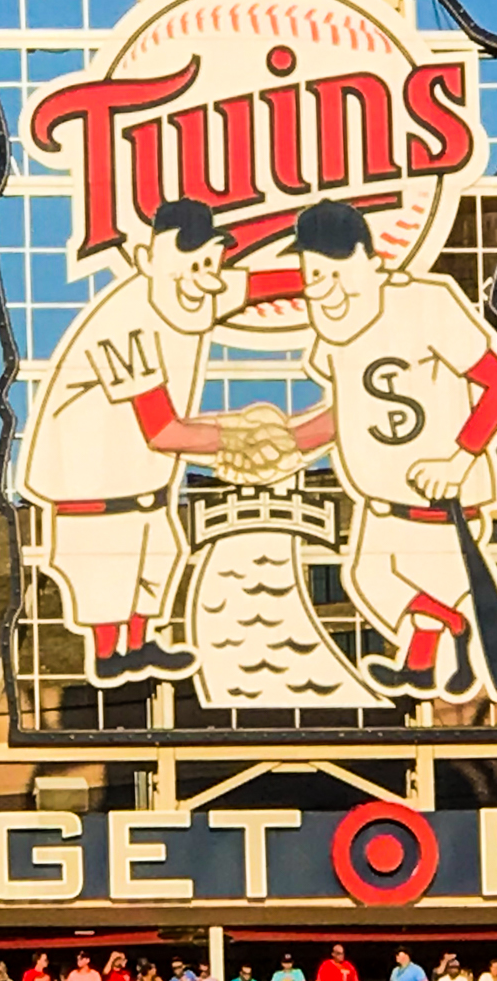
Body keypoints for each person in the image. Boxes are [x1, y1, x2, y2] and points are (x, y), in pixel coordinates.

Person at [20, 195, 301, 687]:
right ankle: (110, 653)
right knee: (107, 572)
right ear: (148, 260)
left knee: (159, 554)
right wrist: (240, 436)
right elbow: (163, 430)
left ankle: (140, 641)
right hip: (90, 486)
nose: (205, 274)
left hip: (143, 484)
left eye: (211, 261)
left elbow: (259, 285)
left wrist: (334, 276)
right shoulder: (124, 320)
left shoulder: (194, 288)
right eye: (191, 262)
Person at [286, 199, 497, 703]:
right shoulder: (334, 333)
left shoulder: (426, 304)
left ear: (370, 260)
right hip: (382, 501)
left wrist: (459, 459)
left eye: (336, 272)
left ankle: (449, 636)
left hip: (438, 504)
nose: (326, 289)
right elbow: (348, 412)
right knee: (369, 578)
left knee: (399, 580)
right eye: (314, 275)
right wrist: (285, 444)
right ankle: (433, 653)